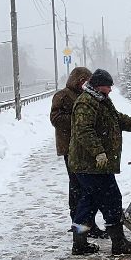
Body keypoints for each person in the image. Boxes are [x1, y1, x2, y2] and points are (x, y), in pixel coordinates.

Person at [66, 69, 131, 256]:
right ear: (99, 85)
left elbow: (118, 119)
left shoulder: (100, 100)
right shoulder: (86, 102)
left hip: (95, 165)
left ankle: (80, 243)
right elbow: (84, 130)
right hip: (90, 165)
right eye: (108, 86)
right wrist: (98, 152)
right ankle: (118, 243)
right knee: (111, 199)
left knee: (88, 203)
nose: (110, 89)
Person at [48, 66, 103, 237]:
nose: (87, 84)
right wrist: (78, 120)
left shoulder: (87, 95)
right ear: (77, 80)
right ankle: (80, 226)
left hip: (85, 147)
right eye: (85, 81)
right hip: (70, 148)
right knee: (78, 188)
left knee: (87, 188)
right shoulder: (63, 96)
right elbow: (55, 118)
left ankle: (87, 225)